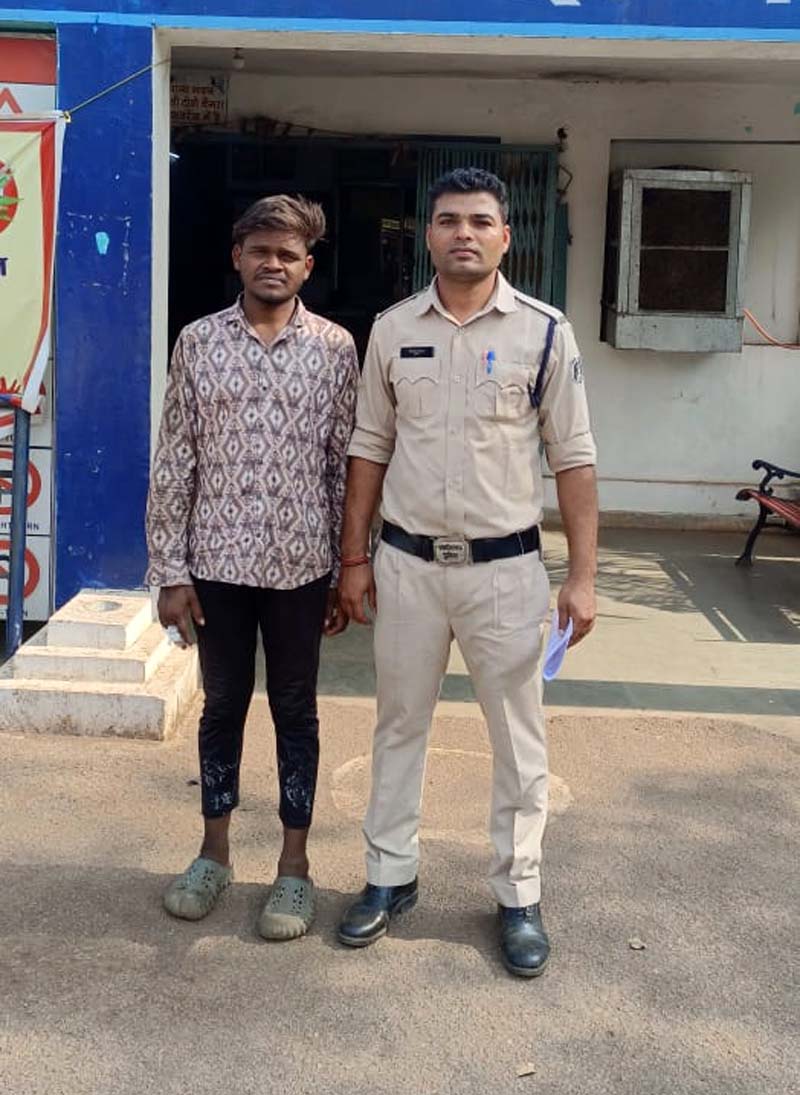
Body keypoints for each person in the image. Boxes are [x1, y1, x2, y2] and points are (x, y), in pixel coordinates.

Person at [336, 167, 598, 977]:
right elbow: (369, 447)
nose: (464, 233)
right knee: (398, 724)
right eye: (449, 219)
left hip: (505, 571)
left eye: (481, 221)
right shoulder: (391, 330)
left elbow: (574, 458)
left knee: (519, 737)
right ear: (429, 234)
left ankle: (518, 893)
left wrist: (583, 576)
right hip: (408, 566)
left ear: (505, 236)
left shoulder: (545, 332)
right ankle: (390, 875)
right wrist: (354, 557)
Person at [146, 194, 358, 940]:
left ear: (307, 266)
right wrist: (170, 570)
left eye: (287, 253)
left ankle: (294, 868)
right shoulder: (198, 342)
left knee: (296, 710)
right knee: (223, 706)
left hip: (301, 565)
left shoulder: (335, 348)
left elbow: (344, 466)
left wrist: (345, 567)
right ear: (237, 256)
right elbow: (175, 458)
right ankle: (214, 854)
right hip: (217, 564)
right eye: (260, 250)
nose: (273, 263)